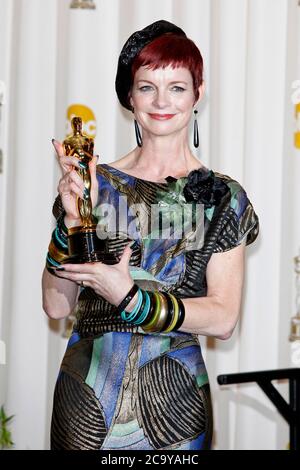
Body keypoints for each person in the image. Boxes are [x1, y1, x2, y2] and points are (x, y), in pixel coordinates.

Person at [42, 19, 259, 450]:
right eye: (147, 87)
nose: (162, 101)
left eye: (177, 87)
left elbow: (223, 318)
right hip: (87, 396)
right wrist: (70, 223)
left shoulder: (222, 197)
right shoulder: (94, 184)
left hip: (174, 401)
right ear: (130, 97)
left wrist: (130, 297)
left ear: (198, 94)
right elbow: (54, 304)